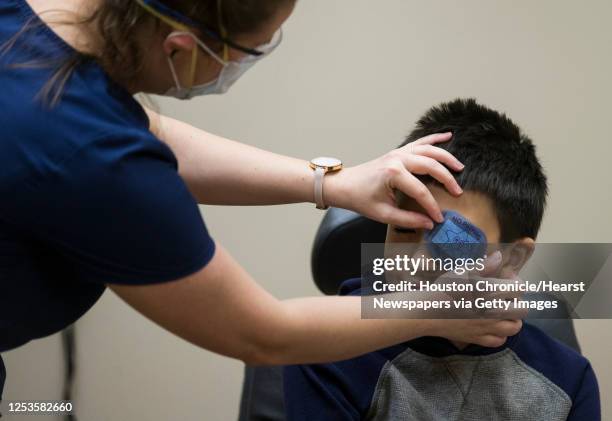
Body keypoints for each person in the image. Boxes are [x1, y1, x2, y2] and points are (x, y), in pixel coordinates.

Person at [0, 0, 522, 401]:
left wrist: (329, 181)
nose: (428, 259)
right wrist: (432, 308)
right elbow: (262, 334)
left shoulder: (40, 25)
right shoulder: (93, 160)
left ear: (519, 255)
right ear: (180, 47)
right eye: (255, 49)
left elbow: (145, 133)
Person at [283, 99, 600, 421]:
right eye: (404, 229)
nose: (418, 261)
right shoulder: (326, 351)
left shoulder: (568, 383)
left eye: (453, 240)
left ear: (513, 257)